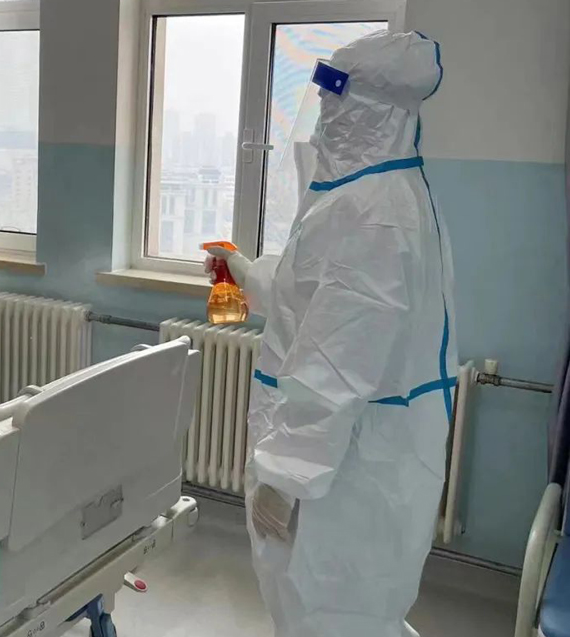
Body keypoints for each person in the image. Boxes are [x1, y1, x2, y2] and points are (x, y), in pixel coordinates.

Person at [206, 31, 456, 637]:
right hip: (342, 459)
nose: (322, 118)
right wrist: (244, 270)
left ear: (367, 110)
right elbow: (309, 297)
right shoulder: (359, 198)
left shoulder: (375, 212)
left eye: (332, 100)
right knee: (325, 610)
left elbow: (338, 361)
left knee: (333, 611)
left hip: (345, 471)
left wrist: (287, 473)